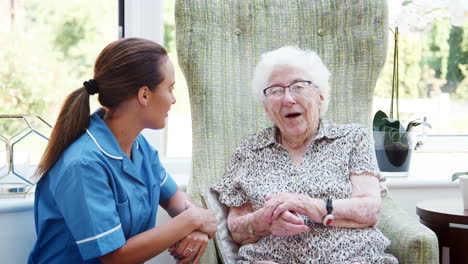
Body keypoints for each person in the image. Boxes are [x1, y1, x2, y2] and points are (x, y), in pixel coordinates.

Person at [28, 38, 216, 264]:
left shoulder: (139, 146)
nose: (173, 100)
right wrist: (191, 220)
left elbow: (174, 197)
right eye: (170, 88)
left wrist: (196, 226)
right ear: (144, 95)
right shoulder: (83, 164)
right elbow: (114, 256)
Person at [212, 46, 398, 264]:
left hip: (353, 258)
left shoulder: (352, 138)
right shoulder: (248, 151)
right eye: (275, 91)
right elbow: (237, 230)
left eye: (298, 86)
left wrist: (311, 206)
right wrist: (264, 220)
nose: (288, 99)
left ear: (320, 97)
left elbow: (369, 210)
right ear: (266, 108)